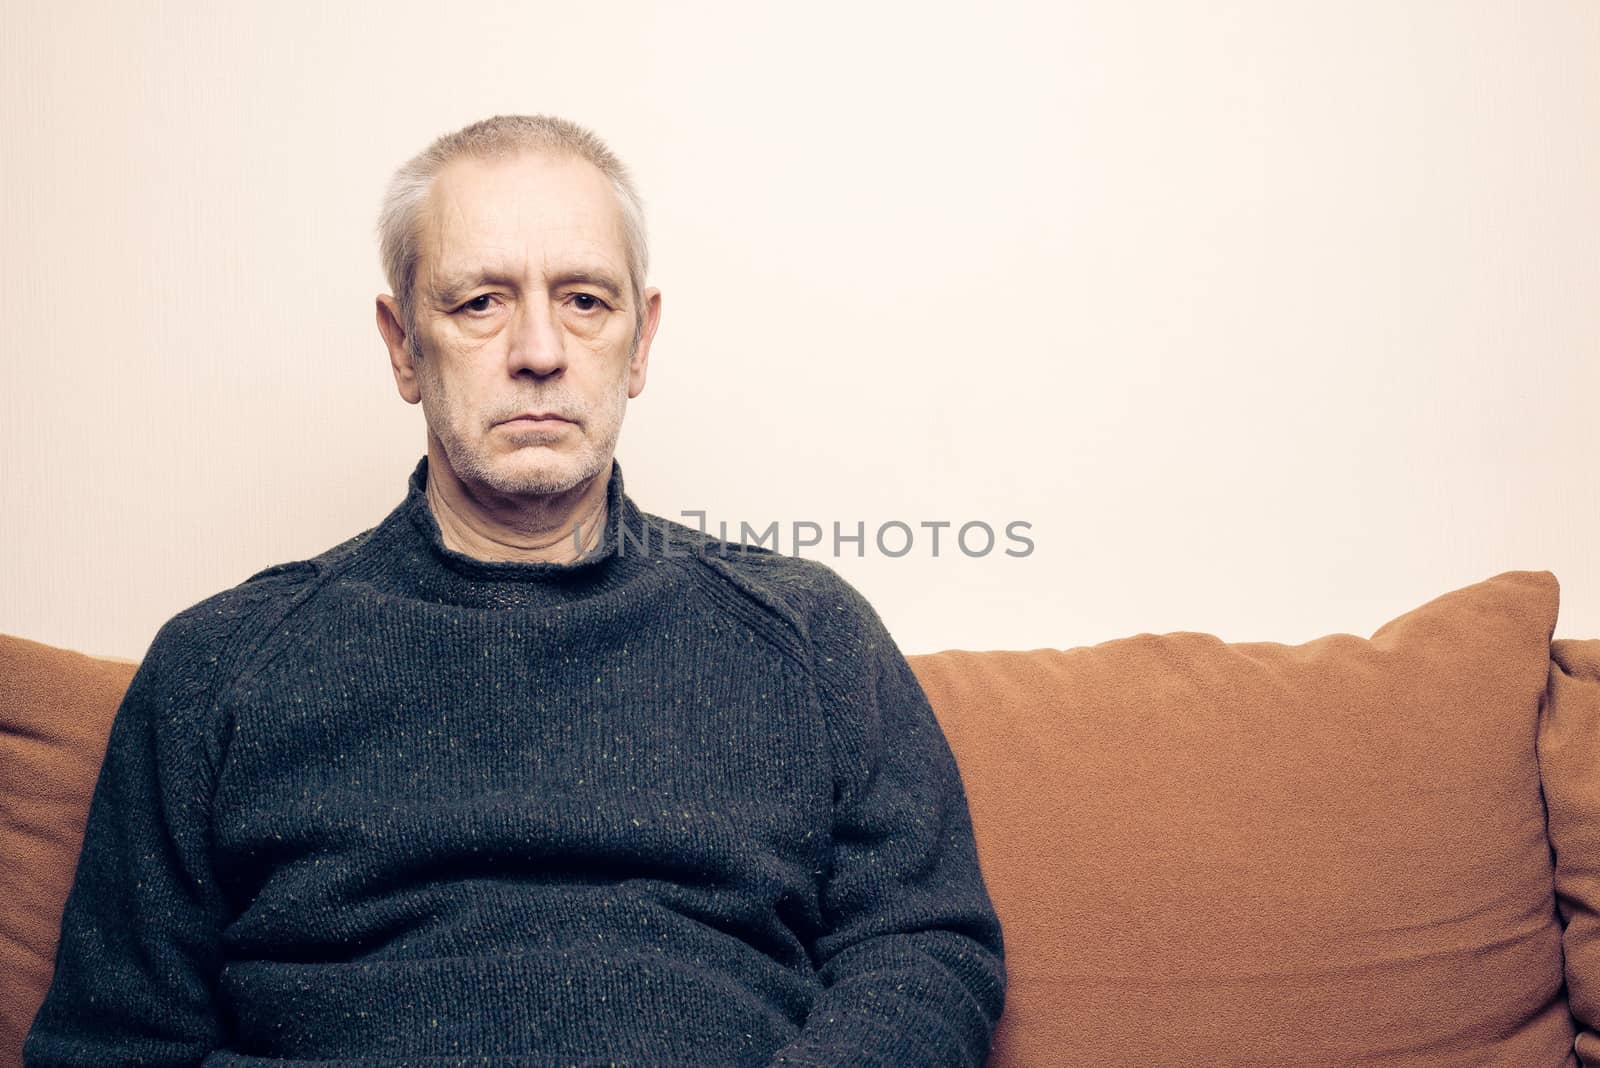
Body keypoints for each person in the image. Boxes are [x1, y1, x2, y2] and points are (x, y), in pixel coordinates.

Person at [24, 114, 1006, 1066]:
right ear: (403, 344)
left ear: (642, 340)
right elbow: (112, 1043)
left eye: (584, 299)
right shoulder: (219, 666)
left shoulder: (808, 634)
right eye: (479, 301)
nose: (539, 351)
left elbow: (925, 953)